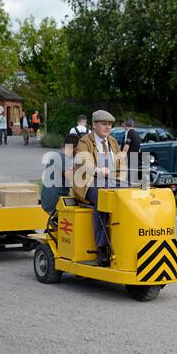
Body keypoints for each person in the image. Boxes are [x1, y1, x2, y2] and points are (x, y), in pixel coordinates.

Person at [73, 110, 126, 266]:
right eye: (104, 124)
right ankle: (102, 247)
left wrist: (122, 176)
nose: (108, 127)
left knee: (130, 197)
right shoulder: (84, 142)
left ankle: (123, 240)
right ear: (95, 125)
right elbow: (83, 161)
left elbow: (121, 162)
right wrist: (98, 170)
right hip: (89, 182)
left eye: (110, 124)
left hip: (111, 181)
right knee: (103, 200)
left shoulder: (113, 142)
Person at [41, 134, 80, 213]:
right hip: (55, 203)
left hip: (48, 201)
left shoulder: (56, 155)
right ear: (75, 149)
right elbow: (73, 180)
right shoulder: (63, 158)